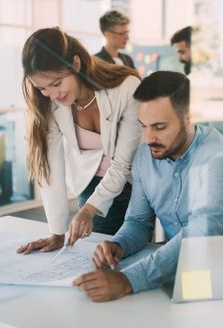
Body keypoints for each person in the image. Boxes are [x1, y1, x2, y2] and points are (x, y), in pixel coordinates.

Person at [72, 71, 223, 302]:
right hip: (184, 275)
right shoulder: (144, 158)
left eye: (159, 127)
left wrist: (128, 280)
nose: (149, 138)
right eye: (144, 126)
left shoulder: (221, 160)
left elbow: (198, 236)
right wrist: (119, 245)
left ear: (188, 117)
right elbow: (138, 222)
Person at [17, 27, 142, 255]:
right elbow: (52, 167)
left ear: (75, 64)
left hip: (134, 181)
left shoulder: (127, 88)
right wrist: (56, 232)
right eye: (42, 88)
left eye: (56, 83)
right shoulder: (50, 104)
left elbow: (123, 165)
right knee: (94, 253)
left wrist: (90, 209)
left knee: (129, 248)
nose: (53, 95)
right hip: (90, 182)